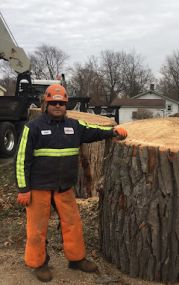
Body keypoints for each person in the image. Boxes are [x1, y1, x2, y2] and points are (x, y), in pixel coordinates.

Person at [15, 84, 127, 282]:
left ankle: (76, 259)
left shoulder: (74, 126)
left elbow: (94, 131)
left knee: (73, 223)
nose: (57, 106)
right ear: (46, 103)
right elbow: (22, 159)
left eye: (61, 103)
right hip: (38, 187)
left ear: (66, 105)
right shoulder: (33, 127)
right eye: (53, 102)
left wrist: (112, 132)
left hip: (64, 187)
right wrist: (23, 189)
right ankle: (38, 263)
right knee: (37, 228)